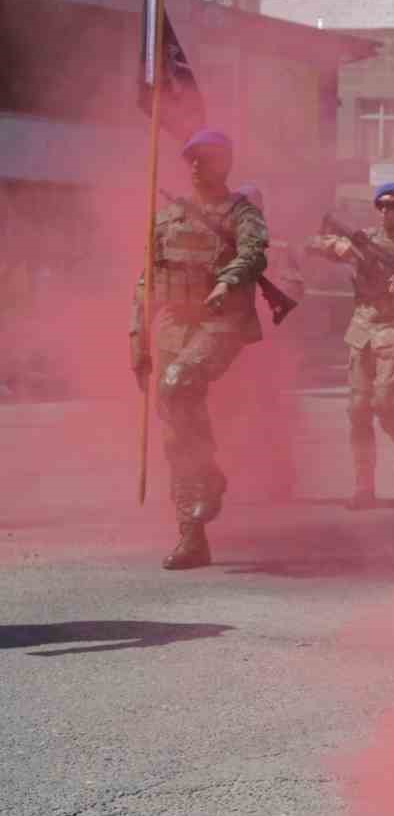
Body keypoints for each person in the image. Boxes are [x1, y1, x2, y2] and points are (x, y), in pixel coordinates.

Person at [130, 129, 267, 570]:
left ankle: (208, 479)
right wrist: (138, 337)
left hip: (220, 320)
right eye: (189, 158)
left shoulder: (241, 212)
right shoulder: (166, 217)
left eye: (203, 158)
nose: (193, 165)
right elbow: (145, 280)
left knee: (178, 383)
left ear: (224, 162)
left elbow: (254, 253)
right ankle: (192, 535)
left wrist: (227, 281)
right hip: (173, 321)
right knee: (175, 426)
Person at [304, 183, 394, 509]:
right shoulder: (363, 240)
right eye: (381, 205)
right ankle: (363, 486)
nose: (386, 211)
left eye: (393, 205)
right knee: (357, 411)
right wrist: (334, 244)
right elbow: (312, 244)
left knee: (383, 402)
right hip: (363, 327)